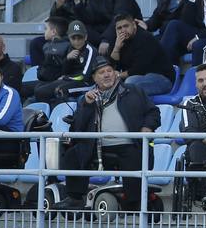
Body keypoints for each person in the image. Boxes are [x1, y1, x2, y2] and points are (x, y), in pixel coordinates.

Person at [54, 57, 161, 210]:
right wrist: (86, 105)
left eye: (109, 71)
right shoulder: (87, 98)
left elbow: (153, 112)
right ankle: (75, 198)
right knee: (73, 154)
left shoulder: (134, 91)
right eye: (101, 72)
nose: (107, 75)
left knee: (135, 157)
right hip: (96, 146)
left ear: (116, 73)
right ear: (94, 78)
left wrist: (147, 127)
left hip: (129, 144)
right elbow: (78, 127)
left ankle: (134, 201)